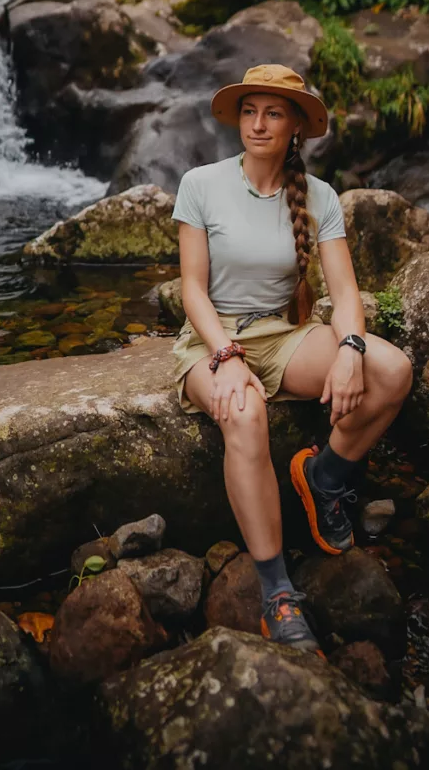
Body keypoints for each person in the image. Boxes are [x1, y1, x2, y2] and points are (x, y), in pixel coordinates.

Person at [172, 64, 413, 655]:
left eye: (273, 113)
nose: (258, 123)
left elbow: (347, 292)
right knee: (246, 414)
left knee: (393, 369)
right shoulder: (200, 184)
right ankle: (277, 590)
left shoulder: (320, 197)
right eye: (250, 111)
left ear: (295, 126)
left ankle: (324, 476)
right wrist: (226, 355)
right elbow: (192, 290)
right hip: (210, 339)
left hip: (285, 335)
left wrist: (351, 349)